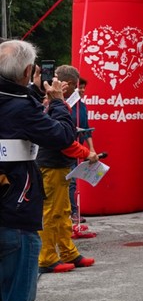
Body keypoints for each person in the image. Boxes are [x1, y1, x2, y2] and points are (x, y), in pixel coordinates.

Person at [0, 39, 80, 301]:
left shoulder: (16, 101)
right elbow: (62, 135)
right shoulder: (21, 107)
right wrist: (59, 103)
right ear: (29, 73)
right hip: (15, 213)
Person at [36, 65, 99, 273]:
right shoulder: (55, 104)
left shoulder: (57, 104)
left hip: (59, 165)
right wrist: (86, 153)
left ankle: (68, 252)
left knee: (63, 212)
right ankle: (46, 258)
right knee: (51, 213)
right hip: (50, 165)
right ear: (70, 84)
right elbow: (62, 139)